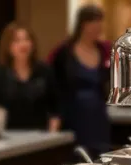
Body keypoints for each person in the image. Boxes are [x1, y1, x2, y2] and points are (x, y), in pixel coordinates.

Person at [48, 5, 111, 156]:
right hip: (73, 115)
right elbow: (53, 85)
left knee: (101, 157)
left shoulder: (105, 50)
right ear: (83, 24)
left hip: (98, 114)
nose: (98, 27)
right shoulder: (64, 52)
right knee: (77, 157)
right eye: (94, 23)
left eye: (100, 23)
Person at [0, 23, 60, 131]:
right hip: (7, 138)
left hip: (40, 136)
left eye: (27, 39)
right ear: (8, 47)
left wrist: (52, 137)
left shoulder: (45, 71)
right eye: (17, 40)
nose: (23, 44)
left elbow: (55, 110)